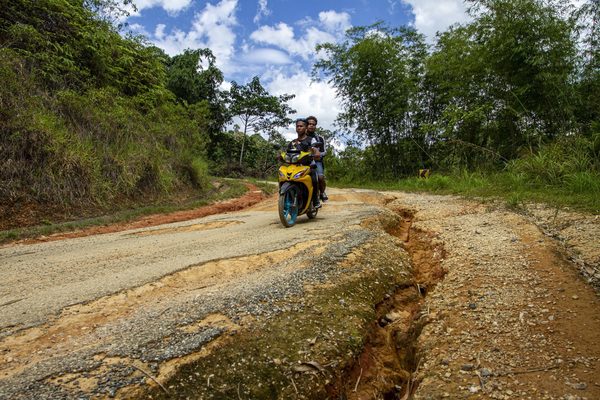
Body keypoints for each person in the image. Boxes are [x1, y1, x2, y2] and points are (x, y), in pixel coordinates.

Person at [286, 118, 322, 208]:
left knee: (314, 178)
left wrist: (316, 153)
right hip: (294, 167)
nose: (299, 128)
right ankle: (284, 196)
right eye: (297, 126)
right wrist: (280, 156)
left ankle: (315, 200)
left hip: (308, 166)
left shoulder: (311, 140)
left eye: (301, 126)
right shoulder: (293, 142)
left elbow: (316, 150)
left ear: (305, 128)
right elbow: (286, 152)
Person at [306, 116, 328, 201]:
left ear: (315, 126)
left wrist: (318, 155)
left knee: (320, 178)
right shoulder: (301, 137)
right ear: (306, 125)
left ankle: (322, 192)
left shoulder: (320, 138)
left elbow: (324, 151)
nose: (311, 126)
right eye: (309, 124)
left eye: (313, 124)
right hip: (303, 161)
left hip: (316, 161)